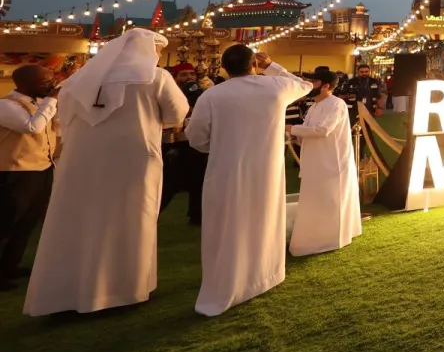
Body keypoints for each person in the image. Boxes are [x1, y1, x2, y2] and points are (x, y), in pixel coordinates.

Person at [24, 30, 189, 316]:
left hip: (81, 164)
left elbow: (62, 120)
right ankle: (123, 291)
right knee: (129, 222)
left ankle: (68, 293)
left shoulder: (75, 82)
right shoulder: (155, 77)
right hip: (133, 163)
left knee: (81, 222)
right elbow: (176, 115)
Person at [187, 45, 316, 317]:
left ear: (223, 68)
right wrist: (272, 66)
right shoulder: (275, 88)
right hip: (266, 170)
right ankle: (263, 274)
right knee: (263, 218)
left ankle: (233, 280)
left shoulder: (213, 95)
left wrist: (223, 145)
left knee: (228, 224)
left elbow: (197, 138)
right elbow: (303, 84)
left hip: (227, 170)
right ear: (253, 64)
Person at [287, 70, 362, 257]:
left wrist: (291, 128)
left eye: (314, 81)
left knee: (330, 199)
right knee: (317, 199)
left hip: (331, 161)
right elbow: (310, 131)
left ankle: (326, 238)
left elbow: (322, 130)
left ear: (326, 85)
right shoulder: (314, 106)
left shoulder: (336, 104)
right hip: (316, 159)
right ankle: (315, 234)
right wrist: (296, 135)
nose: (310, 84)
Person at [0, 64, 60, 291]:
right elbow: (32, 127)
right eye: (45, 81)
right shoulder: (6, 105)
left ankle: (10, 266)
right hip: (14, 172)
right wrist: (52, 101)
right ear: (24, 84)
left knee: (26, 224)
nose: (51, 85)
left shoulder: (40, 104)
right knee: (5, 224)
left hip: (41, 170)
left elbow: (56, 130)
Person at [160, 62, 210, 225]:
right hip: (172, 143)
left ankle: (197, 216)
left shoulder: (202, 92)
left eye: (191, 74)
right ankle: (150, 215)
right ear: (175, 77)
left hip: (194, 142)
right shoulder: (168, 92)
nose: (188, 77)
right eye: (184, 74)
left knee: (198, 180)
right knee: (170, 182)